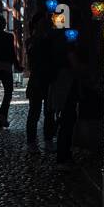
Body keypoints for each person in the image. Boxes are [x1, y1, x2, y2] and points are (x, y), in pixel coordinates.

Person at [24, 11, 66, 152]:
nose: (45, 25)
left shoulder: (48, 39)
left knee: (49, 112)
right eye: (42, 22)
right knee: (34, 112)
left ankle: (48, 139)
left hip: (48, 80)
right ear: (36, 25)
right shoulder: (32, 41)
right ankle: (31, 142)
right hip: (37, 80)